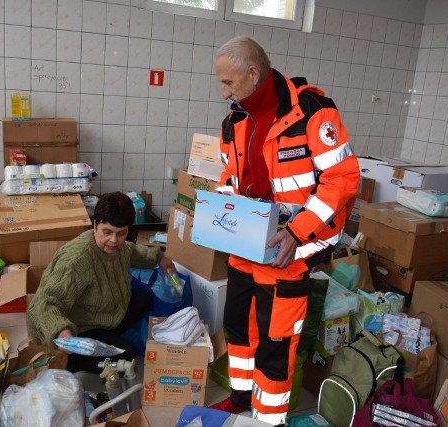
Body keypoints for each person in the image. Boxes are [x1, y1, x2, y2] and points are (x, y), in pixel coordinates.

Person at [209, 36, 360, 426]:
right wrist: (221, 203)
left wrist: (295, 232)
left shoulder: (312, 111)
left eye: (228, 82)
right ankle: (242, 400)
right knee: (239, 332)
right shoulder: (235, 119)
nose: (223, 91)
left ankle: (267, 420)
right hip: (245, 246)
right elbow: (230, 175)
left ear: (253, 74)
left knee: (275, 345)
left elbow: (341, 181)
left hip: (289, 250)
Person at [27, 191, 176, 373]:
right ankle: (63, 361)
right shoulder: (75, 261)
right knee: (126, 355)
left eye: (121, 233)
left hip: (103, 314)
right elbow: (46, 302)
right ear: (95, 225)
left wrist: (158, 257)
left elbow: (131, 251)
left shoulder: (119, 247)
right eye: (107, 232)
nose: (114, 240)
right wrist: (61, 332)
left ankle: (107, 339)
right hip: (77, 327)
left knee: (143, 297)